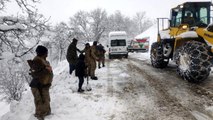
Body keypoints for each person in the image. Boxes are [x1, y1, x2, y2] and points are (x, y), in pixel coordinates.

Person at [28, 45, 53, 120]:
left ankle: (47, 112)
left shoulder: (43, 60)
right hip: (37, 85)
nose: (47, 54)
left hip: (44, 84)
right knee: (39, 100)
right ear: (42, 53)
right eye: (46, 52)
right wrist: (47, 70)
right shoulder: (37, 61)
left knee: (46, 99)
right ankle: (39, 115)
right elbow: (35, 73)